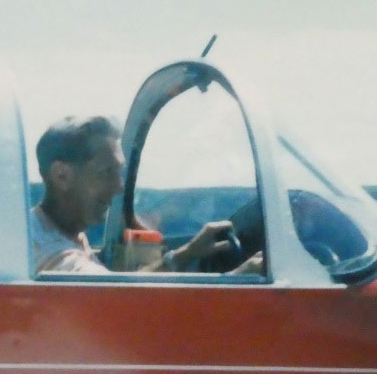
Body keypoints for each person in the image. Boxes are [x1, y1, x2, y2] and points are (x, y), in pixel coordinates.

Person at [31, 116, 253, 274]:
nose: (119, 187)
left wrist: (187, 254)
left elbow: (113, 286)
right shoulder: (54, 255)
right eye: (106, 172)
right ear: (61, 176)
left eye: (119, 172)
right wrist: (237, 280)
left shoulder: (53, 229)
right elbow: (117, 299)